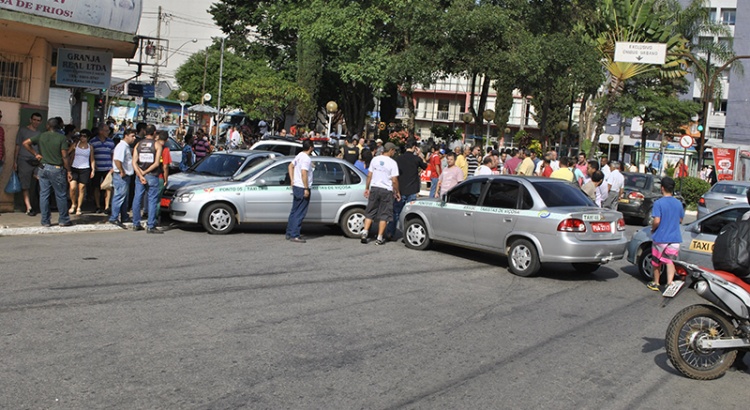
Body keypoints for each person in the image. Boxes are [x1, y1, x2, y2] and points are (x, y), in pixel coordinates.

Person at [23, 118, 73, 227]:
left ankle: (45, 220)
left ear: (47, 126)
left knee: (44, 195)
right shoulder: (62, 138)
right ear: (58, 127)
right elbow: (64, 156)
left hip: (43, 167)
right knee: (60, 195)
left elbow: (25, 143)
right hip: (56, 168)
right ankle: (63, 219)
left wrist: (36, 154)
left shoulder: (41, 136)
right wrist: (68, 170)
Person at [647, 177, 685, 291]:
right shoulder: (678, 203)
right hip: (675, 238)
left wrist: (653, 229)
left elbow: (657, 221)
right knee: (669, 261)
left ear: (662, 188)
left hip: (661, 237)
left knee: (656, 261)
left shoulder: (658, 203)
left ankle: (656, 282)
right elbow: (680, 220)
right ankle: (669, 283)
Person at [361, 142, 400, 245]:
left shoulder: (375, 159)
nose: (394, 152)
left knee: (370, 211)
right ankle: (379, 237)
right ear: (391, 150)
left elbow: (369, 175)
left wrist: (367, 187)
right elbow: (394, 180)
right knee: (384, 214)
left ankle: (365, 232)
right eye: (394, 150)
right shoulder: (392, 163)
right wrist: (397, 191)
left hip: (374, 188)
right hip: (386, 190)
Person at [386, 140, 426, 240]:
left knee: (396, 212)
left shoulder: (398, 159)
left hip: (400, 189)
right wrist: (420, 154)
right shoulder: (416, 159)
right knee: (410, 213)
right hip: (412, 189)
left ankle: (390, 232)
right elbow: (425, 166)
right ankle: (407, 234)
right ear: (414, 147)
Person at [131, 125, 164, 234]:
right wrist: (145, 173)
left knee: (137, 198)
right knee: (152, 200)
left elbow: (134, 162)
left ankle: (136, 223)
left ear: (145, 132)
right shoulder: (157, 145)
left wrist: (140, 175)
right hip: (152, 175)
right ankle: (150, 225)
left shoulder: (138, 144)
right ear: (154, 132)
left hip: (139, 175)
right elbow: (156, 163)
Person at [285, 140, 315, 243]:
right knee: (300, 212)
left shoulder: (300, 155)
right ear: (311, 147)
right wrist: (306, 188)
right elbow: (304, 173)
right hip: (302, 187)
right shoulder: (306, 158)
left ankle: (289, 232)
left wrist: (292, 179)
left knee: (294, 211)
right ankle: (295, 234)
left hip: (297, 186)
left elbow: (290, 166)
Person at [14, 112, 43, 216]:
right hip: (23, 159)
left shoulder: (40, 133)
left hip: (36, 162)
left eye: (38, 120)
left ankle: (39, 205)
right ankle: (28, 207)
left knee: (39, 181)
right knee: (25, 184)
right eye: (34, 119)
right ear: (31, 120)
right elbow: (17, 146)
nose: (36, 122)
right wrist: (15, 161)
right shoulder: (22, 130)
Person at [108, 129, 136, 228]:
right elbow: (117, 160)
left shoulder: (125, 146)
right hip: (121, 175)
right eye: (132, 136)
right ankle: (114, 217)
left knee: (124, 197)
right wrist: (121, 170)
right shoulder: (121, 146)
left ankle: (124, 216)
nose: (134, 138)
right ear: (126, 136)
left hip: (126, 175)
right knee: (119, 196)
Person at [67, 129, 95, 215]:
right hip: (74, 167)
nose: (82, 138)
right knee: (72, 188)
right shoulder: (75, 145)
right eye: (81, 136)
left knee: (82, 189)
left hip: (85, 168)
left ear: (88, 138)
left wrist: (93, 169)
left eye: (84, 136)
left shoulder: (90, 147)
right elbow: (67, 153)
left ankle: (79, 207)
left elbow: (92, 159)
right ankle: (73, 204)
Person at [90, 123, 115, 214]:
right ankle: (98, 206)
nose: (108, 132)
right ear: (101, 131)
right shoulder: (93, 142)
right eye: (106, 130)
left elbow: (113, 155)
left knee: (108, 187)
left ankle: (107, 206)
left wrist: (113, 167)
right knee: (96, 187)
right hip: (97, 168)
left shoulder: (111, 142)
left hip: (108, 168)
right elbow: (91, 155)